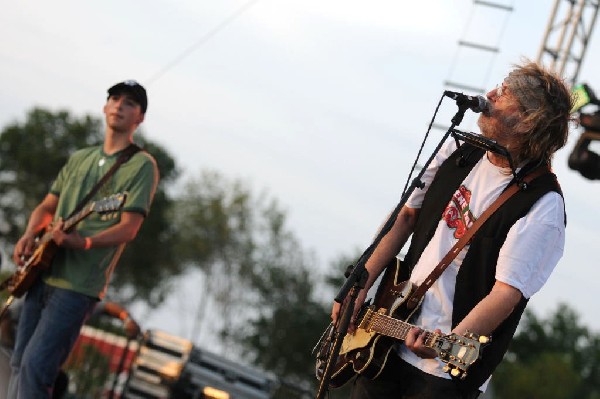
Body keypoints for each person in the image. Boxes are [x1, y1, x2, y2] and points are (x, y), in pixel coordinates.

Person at [331, 61, 573, 399]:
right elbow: (405, 217)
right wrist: (359, 283)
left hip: (444, 373)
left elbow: (506, 294)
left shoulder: (543, 203)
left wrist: (448, 341)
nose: (489, 95)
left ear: (526, 121)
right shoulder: (460, 148)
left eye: (504, 94)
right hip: (386, 335)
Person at [7, 80, 159, 398]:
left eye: (130, 102)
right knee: (19, 362)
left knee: (37, 368)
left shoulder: (141, 165)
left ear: (140, 117)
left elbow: (129, 228)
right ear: (105, 107)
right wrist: (28, 235)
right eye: (114, 98)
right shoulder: (81, 157)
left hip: (77, 288)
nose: (119, 105)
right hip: (40, 272)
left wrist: (85, 242)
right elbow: (48, 206)